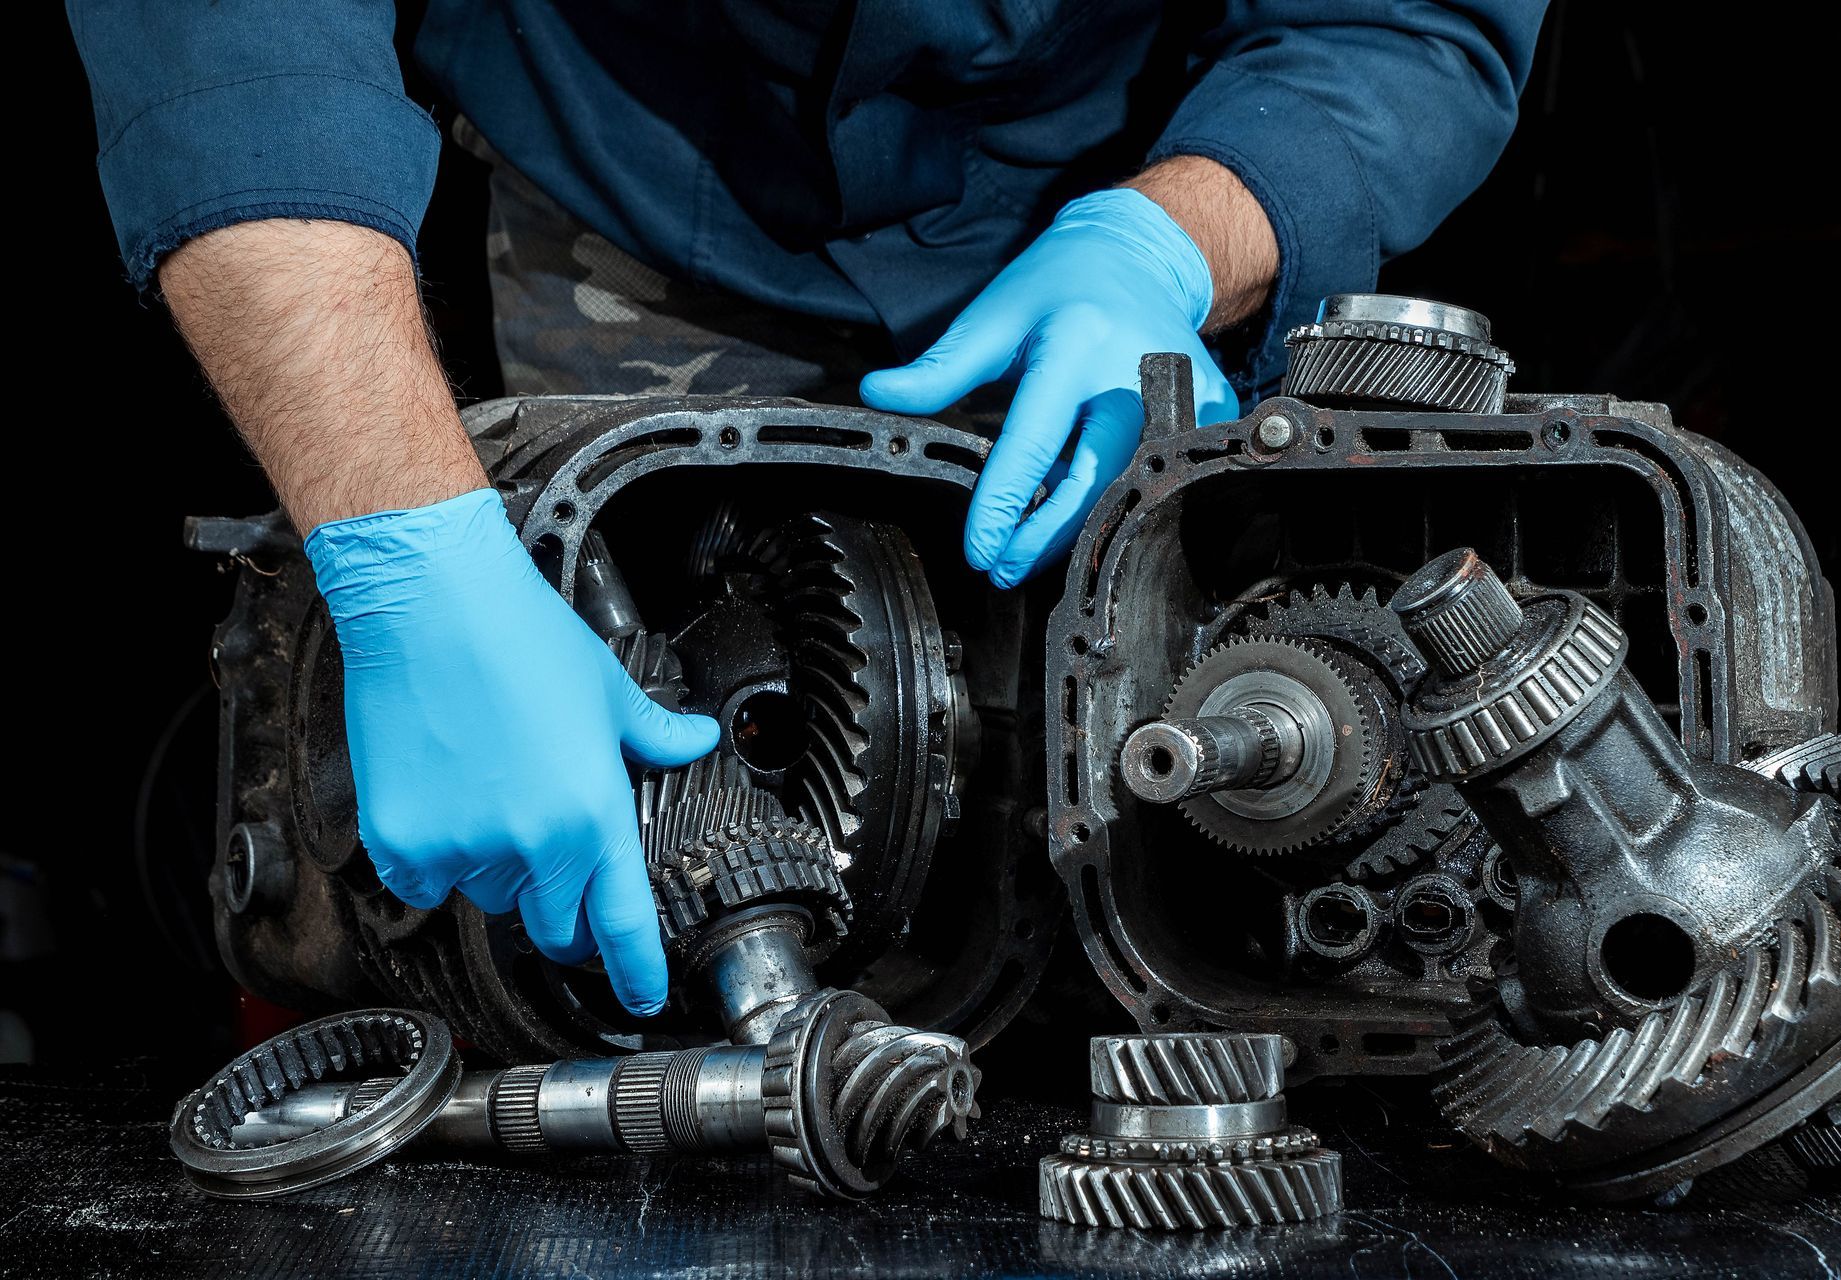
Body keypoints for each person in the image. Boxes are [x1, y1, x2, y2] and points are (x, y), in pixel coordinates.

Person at [68, 2, 1545, 1018]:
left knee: (1140, 887)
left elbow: (1404, 18)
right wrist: (403, 538)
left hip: (1114, 180)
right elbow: (224, 34)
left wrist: (1174, 237)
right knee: (570, 932)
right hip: (637, 162)